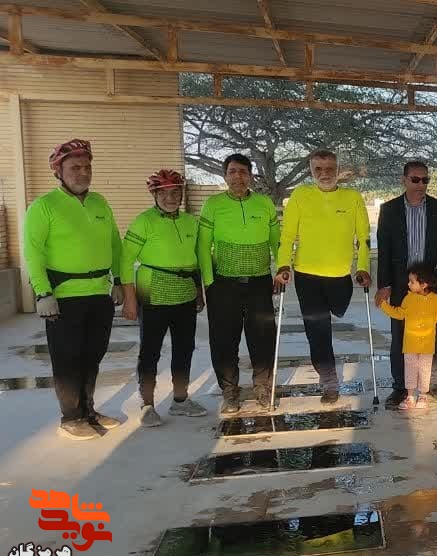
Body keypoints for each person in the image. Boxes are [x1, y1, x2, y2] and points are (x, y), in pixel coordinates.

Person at [24, 139, 125, 440]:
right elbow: (33, 252)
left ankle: (88, 411)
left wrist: (118, 280)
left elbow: (115, 245)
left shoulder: (100, 203)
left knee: (92, 356)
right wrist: (43, 293)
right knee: (68, 359)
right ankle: (71, 418)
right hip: (63, 296)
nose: (83, 172)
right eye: (75, 167)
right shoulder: (44, 206)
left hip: (99, 293)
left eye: (87, 167)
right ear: (58, 171)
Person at [273, 150, 371, 404]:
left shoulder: (352, 197)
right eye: (318, 169)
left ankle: (327, 371)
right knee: (317, 329)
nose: (324, 174)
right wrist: (283, 265)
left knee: (337, 311)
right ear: (311, 171)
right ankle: (329, 379)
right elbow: (287, 236)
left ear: (338, 170)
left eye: (329, 169)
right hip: (307, 276)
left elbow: (363, 238)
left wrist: (363, 267)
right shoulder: (301, 195)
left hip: (340, 276)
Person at [121, 169, 208, 426]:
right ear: (154, 195)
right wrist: (130, 299)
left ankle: (180, 400)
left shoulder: (191, 222)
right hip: (153, 291)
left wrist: (199, 292)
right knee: (150, 350)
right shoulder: (143, 221)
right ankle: (147, 404)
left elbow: (196, 260)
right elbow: (125, 261)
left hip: (184, 292)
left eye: (175, 192)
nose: (170, 198)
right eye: (164, 193)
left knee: (184, 348)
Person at [198, 154, 280, 414]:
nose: (238, 177)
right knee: (224, 340)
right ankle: (230, 392)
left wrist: (281, 269)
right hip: (223, 284)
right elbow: (202, 246)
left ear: (250, 176)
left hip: (259, 282)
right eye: (232, 172)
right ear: (225, 176)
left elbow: (276, 241)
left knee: (263, 337)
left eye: (243, 172)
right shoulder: (213, 204)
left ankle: (262, 387)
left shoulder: (264, 203)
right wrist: (209, 282)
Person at [377, 161, 437, 408]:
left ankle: (432, 386)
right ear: (404, 180)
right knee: (400, 337)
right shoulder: (389, 210)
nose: (421, 184)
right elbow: (384, 250)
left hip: (431, 284)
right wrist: (384, 284)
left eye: (425, 180)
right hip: (403, 284)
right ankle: (401, 388)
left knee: (434, 336)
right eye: (415, 179)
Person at [376, 262, 437, 410]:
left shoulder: (435, 299)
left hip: (427, 345)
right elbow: (399, 313)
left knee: (425, 371)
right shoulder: (409, 299)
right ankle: (410, 396)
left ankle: (423, 396)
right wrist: (383, 304)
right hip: (410, 344)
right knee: (410, 370)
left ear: (424, 284)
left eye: (412, 282)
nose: (408, 284)